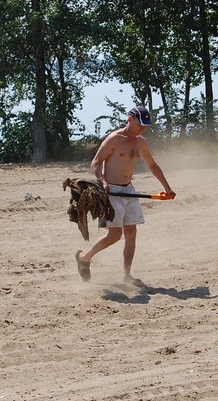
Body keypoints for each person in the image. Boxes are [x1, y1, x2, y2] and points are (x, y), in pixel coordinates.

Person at [75, 105, 175, 286]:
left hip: (129, 191)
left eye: (146, 127)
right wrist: (103, 182)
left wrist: (167, 188)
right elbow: (96, 163)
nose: (143, 129)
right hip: (111, 192)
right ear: (130, 119)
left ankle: (127, 275)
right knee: (114, 236)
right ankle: (84, 257)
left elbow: (152, 165)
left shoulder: (141, 142)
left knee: (131, 233)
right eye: (140, 125)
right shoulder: (114, 139)